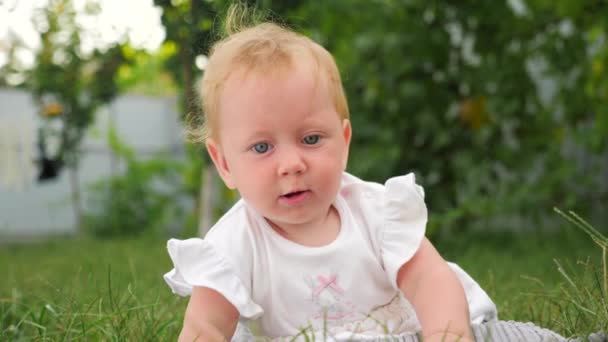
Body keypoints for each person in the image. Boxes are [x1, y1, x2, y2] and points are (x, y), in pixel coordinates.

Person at [163, 9, 498, 342]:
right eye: (262, 147)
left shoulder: (377, 214)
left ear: (344, 142)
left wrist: (446, 335)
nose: (291, 163)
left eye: (310, 139)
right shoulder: (234, 244)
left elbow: (431, 282)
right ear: (224, 164)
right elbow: (204, 328)